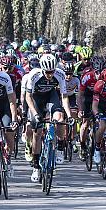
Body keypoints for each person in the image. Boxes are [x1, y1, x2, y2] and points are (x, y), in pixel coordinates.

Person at [24, 54, 73, 182]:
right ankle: (36, 165)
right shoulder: (34, 75)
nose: (50, 75)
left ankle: (60, 146)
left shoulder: (60, 74)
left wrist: (69, 114)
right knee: (37, 132)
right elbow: (28, 97)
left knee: (60, 119)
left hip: (51, 97)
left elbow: (64, 96)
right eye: (47, 72)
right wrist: (34, 114)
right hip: (36, 99)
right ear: (42, 69)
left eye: (52, 72)